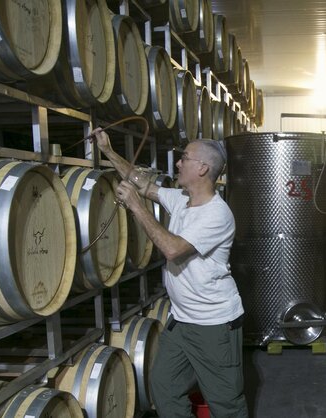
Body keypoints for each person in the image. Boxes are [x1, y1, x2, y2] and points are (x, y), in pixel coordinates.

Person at [91, 128, 248, 418]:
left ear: (202, 168)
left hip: (213, 325)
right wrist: (108, 151)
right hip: (182, 321)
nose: (178, 163)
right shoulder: (181, 200)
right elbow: (141, 183)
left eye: (184, 158)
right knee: (164, 387)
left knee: (226, 405)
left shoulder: (217, 213)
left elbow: (173, 249)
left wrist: (137, 208)